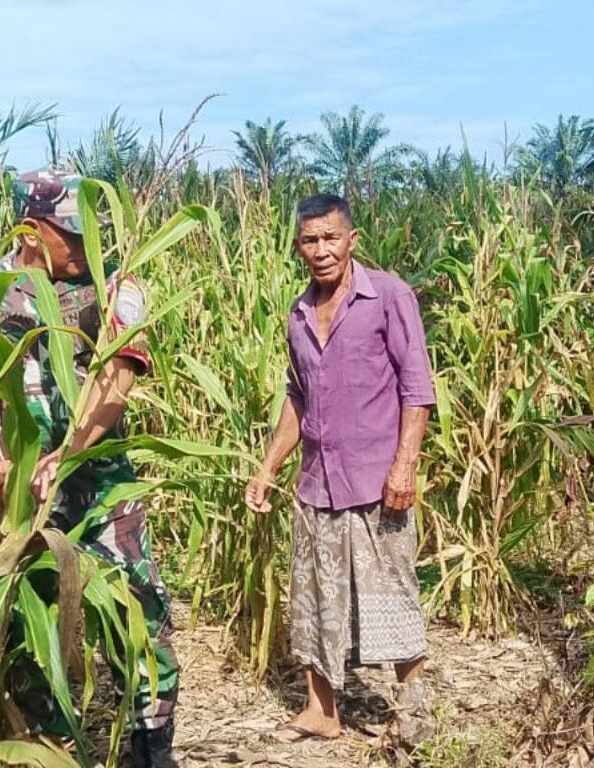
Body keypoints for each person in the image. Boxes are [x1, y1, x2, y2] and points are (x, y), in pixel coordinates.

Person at [0, 169, 179, 767]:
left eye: (89, 235)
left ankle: (150, 749)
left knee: (140, 608)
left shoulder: (116, 284)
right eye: (69, 236)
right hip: (14, 494)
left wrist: (66, 454)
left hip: (99, 482)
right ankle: (47, 749)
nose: (83, 249)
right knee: (28, 625)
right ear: (29, 230)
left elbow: (117, 378)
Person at [245, 193, 436, 747]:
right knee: (313, 596)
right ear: (298, 246)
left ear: (352, 240)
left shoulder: (389, 296)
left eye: (331, 238)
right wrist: (267, 469)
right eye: (310, 240)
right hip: (317, 481)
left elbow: (416, 388)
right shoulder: (299, 314)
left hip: (377, 479)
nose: (321, 250)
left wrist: (404, 466)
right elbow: (297, 396)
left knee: (392, 593)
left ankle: (414, 714)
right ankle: (321, 711)